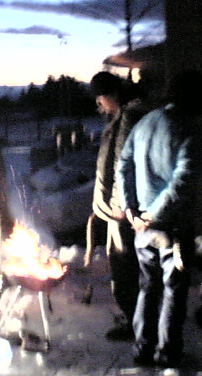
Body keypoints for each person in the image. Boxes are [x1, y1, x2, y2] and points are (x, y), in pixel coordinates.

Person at [116, 69, 202, 367]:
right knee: (173, 290)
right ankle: (167, 353)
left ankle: (142, 349)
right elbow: (181, 183)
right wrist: (152, 216)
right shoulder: (191, 130)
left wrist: (131, 210)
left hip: (141, 227)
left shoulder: (145, 122)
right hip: (172, 227)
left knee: (148, 286)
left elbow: (123, 166)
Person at [85, 71, 150, 340]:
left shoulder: (129, 118)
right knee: (125, 265)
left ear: (111, 94)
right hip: (118, 207)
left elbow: (124, 165)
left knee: (124, 267)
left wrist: (119, 205)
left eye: (100, 98)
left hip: (121, 209)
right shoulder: (123, 115)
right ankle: (136, 318)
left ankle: (135, 323)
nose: (98, 104)